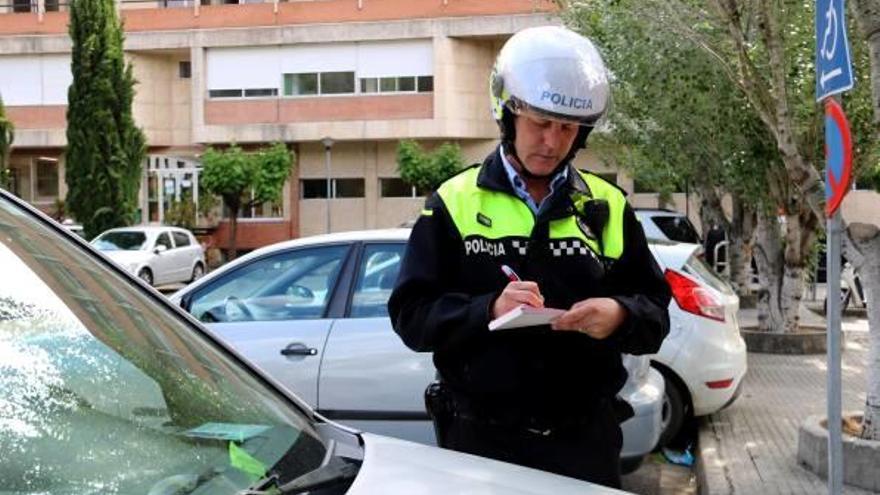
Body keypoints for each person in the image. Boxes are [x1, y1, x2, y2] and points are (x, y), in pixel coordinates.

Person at [387, 25, 671, 488]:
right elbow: (411, 315)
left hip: (585, 446)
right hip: (481, 448)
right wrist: (488, 310)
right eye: (540, 123)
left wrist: (620, 314)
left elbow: (656, 311)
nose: (553, 141)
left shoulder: (608, 205)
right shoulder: (453, 201)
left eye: (567, 128)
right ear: (507, 112)